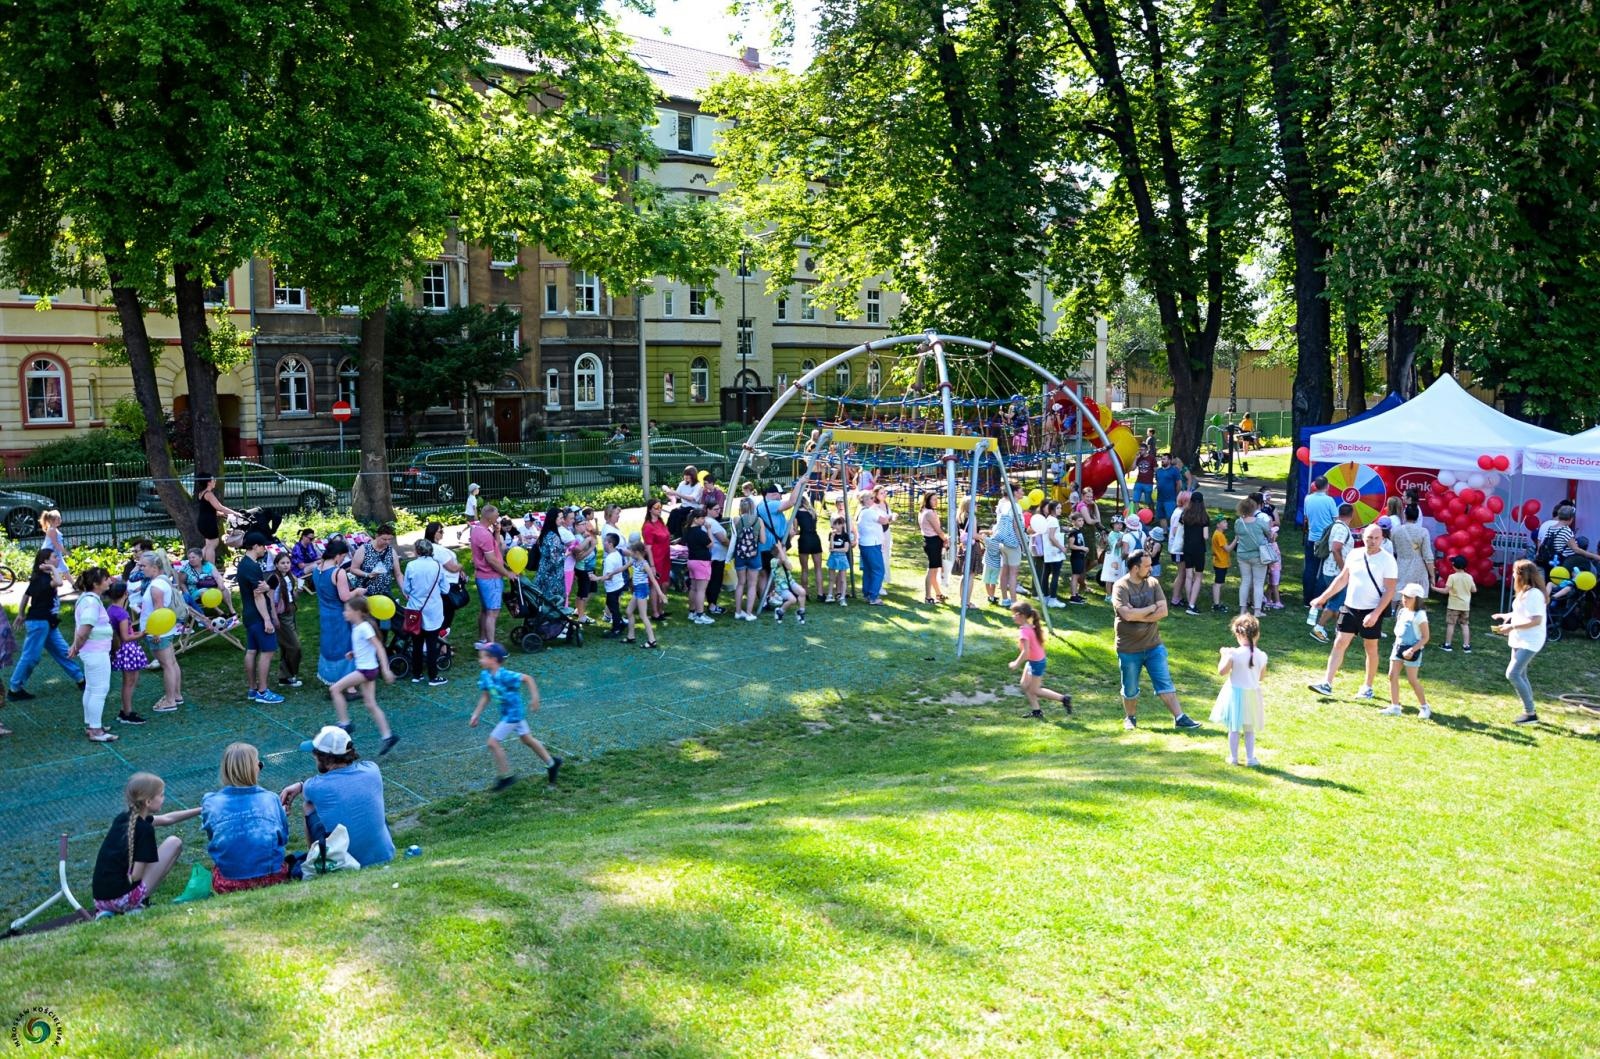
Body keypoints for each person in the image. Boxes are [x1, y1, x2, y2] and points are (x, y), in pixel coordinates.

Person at [279, 726, 396, 867]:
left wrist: (300, 785)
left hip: (344, 862)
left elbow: (310, 789)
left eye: (315, 753)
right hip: (385, 857)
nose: (313, 756)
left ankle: (316, 858)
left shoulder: (315, 786)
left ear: (324, 757)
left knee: (308, 805)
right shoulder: (372, 769)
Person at [1308, 524, 1400, 700]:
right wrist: (1322, 598)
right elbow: (1342, 579)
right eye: (1369, 538)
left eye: (1376, 538)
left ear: (1382, 539)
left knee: (1370, 647)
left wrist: (1375, 614)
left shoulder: (1388, 560)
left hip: (1372, 609)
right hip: (1350, 606)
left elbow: (1390, 590)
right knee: (1339, 643)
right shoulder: (1354, 554)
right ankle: (1327, 683)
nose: (1372, 542)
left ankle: (1368, 686)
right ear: (1363, 537)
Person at [1112, 551, 1201, 730]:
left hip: (1154, 645)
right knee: (1130, 688)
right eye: (1146, 566)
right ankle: (1130, 718)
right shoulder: (1120, 587)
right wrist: (1151, 608)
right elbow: (1126, 615)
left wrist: (1140, 614)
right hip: (1129, 648)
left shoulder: (1153, 583)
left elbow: (1163, 611)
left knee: (1165, 682)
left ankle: (1180, 718)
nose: (1150, 568)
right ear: (1135, 568)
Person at [91, 772, 199, 915]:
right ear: (148, 802)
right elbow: (136, 876)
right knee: (174, 842)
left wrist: (201, 810)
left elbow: (168, 819)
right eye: (161, 795)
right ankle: (134, 906)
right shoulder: (145, 830)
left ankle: (109, 912)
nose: (163, 798)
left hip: (100, 900)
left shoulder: (123, 819)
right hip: (122, 899)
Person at [469, 643, 562, 790]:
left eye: (482, 657)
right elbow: (486, 696)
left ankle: (506, 777)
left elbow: (528, 678)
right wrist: (476, 714)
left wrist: (535, 698)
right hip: (507, 714)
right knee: (527, 739)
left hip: (513, 715)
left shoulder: (505, 675)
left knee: (492, 743)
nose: (479, 660)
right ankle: (552, 763)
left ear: (493, 659)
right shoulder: (485, 675)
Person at [202, 743, 291, 893]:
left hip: (228, 882)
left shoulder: (210, 802)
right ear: (254, 769)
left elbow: (214, 837)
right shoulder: (271, 799)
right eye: (259, 765)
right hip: (272, 877)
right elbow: (283, 838)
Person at [8, 548, 84, 701]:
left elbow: (26, 595)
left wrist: (21, 614)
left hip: (48, 622)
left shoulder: (40, 577)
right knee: (31, 656)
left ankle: (81, 679)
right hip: (39, 623)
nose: (57, 559)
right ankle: (14, 689)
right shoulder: (42, 578)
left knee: (63, 651)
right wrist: (53, 568)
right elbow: (59, 582)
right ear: (45, 561)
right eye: (54, 557)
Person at [328, 592, 399, 755]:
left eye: (347, 610)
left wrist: (386, 669)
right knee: (370, 704)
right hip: (367, 669)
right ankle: (388, 736)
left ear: (357, 612)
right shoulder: (358, 627)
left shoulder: (364, 627)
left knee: (335, 689)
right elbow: (367, 646)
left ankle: (345, 722)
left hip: (366, 671)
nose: (344, 613)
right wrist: (354, 652)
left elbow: (379, 647)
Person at [1493, 560, 1547, 725]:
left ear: (1521, 575)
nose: (1512, 575)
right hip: (1520, 637)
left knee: (1513, 673)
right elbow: (1522, 611)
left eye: (1514, 572)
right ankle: (1530, 711)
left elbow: (1536, 620)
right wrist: (1507, 616)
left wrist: (1511, 626)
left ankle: (1530, 713)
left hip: (1530, 640)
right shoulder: (1526, 592)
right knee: (1521, 674)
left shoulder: (1534, 594)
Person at [66, 567, 117, 743]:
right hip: (96, 652)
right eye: (106, 578)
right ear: (96, 584)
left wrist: (76, 646)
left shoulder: (87, 599)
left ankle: (92, 724)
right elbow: (85, 628)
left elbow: (80, 629)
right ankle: (96, 730)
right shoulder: (92, 602)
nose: (110, 581)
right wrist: (76, 646)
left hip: (92, 651)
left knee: (91, 688)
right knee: (99, 689)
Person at [1210, 614, 1266, 766]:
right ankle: (1250, 758)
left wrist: (1224, 655)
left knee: (1234, 728)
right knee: (1249, 729)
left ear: (1239, 634)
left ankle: (1233, 757)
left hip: (1235, 694)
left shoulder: (1234, 654)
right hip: (1252, 695)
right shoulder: (1262, 655)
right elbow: (1261, 677)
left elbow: (1222, 671)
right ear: (1257, 634)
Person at [236, 533, 284, 705]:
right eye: (263, 546)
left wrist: (265, 586)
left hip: (249, 614)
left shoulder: (244, 564)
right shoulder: (251, 566)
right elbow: (258, 596)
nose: (265, 549)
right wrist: (267, 619)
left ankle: (252, 689)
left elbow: (258, 589)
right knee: (267, 652)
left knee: (251, 651)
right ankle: (263, 691)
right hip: (258, 615)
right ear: (255, 546)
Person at [136, 551, 181, 713]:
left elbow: (159, 612)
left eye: (143, 566)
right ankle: (176, 695)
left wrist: (155, 633)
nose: (141, 569)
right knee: (172, 662)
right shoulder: (163, 581)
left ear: (154, 567)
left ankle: (170, 700)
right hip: (166, 630)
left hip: (159, 632)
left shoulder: (156, 586)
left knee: (167, 665)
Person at [1009, 601, 1070, 720]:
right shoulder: (1029, 627)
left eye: (1014, 614)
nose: (1012, 616)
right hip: (1035, 660)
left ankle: (1063, 699)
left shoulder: (1024, 631)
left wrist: (1016, 663)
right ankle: (1036, 711)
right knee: (1024, 684)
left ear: (1021, 615)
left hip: (1036, 663)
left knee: (1035, 690)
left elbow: (1025, 652)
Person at [402, 539, 449, 687]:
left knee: (416, 643)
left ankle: (417, 674)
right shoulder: (437, 566)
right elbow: (445, 588)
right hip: (433, 609)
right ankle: (433, 676)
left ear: (417, 551)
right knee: (431, 643)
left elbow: (406, 589)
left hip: (415, 609)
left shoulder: (411, 565)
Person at [1307, 504, 1356, 644]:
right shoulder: (1342, 529)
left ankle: (1340, 629)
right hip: (1336, 571)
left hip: (1330, 569)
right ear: (1352, 515)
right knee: (1335, 602)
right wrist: (1343, 570)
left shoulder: (1336, 525)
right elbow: (1336, 549)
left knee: (1340, 602)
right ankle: (1318, 627)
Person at [311, 539, 357, 686]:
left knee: (330, 646)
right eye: (343, 556)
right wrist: (357, 591)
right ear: (337, 555)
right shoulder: (339, 572)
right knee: (344, 646)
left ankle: (331, 679)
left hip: (325, 614)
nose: (343, 559)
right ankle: (347, 685)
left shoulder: (316, 569)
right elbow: (345, 597)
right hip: (339, 615)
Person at [1383, 584, 1432, 718]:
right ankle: (1395, 706)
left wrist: (1412, 649)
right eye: (1404, 596)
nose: (1404, 599)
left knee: (1412, 680)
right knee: (1392, 675)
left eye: (1408, 597)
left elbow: (1426, 637)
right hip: (1398, 647)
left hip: (1412, 651)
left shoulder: (1420, 615)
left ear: (1417, 599)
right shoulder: (1402, 612)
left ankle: (1424, 707)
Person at [105, 581, 149, 726]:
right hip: (128, 649)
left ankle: (126, 710)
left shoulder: (110, 609)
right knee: (130, 682)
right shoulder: (122, 613)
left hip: (121, 649)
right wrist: (142, 634)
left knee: (129, 681)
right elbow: (126, 637)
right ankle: (127, 713)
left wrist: (135, 633)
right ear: (125, 594)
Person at [470, 504, 511, 649]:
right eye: (496, 514)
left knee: (485, 610)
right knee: (493, 612)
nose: (498, 517)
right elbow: (492, 560)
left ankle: (482, 640)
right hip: (490, 577)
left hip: (482, 576)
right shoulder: (483, 534)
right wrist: (507, 573)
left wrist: (497, 532)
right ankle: (491, 646)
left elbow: (496, 548)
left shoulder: (478, 530)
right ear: (489, 516)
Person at [755, 482, 799, 602]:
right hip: (767, 547)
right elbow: (791, 502)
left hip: (773, 546)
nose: (781, 498)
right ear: (774, 494)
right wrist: (800, 483)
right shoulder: (770, 504)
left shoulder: (765, 505)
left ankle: (770, 597)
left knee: (772, 572)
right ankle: (765, 600)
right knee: (765, 574)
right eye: (780, 495)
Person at [1302, 476, 1340, 606]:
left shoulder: (1308, 499)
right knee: (1324, 569)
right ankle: (1319, 599)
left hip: (1312, 538)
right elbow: (1336, 519)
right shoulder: (1329, 500)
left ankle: (1307, 600)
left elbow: (1306, 516)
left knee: (1310, 569)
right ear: (1327, 486)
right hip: (1325, 540)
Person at [269, 550, 303, 689]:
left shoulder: (289, 576)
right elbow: (270, 598)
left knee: (287, 646)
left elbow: (289, 594)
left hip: (290, 611)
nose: (285, 565)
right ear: (276, 564)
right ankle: (289, 674)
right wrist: (274, 617)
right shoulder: (274, 578)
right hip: (281, 615)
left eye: (288, 562)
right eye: (282, 563)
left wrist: (298, 591)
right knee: (295, 647)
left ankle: (285, 677)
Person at [1231, 498, 1269, 617]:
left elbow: (1237, 534)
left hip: (1242, 555)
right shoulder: (1259, 522)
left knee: (1245, 581)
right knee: (1258, 583)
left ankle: (1243, 609)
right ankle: (1257, 610)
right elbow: (1269, 533)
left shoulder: (1238, 522)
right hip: (1258, 555)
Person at [732, 497, 767, 620]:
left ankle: (737, 612)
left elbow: (733, 538)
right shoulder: (759, 520)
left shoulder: (737, 520)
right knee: (752, 585)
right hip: (754, 555)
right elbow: (763, 540)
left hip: (740, 554)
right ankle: (748, 613)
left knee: (740, 583)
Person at [856, 490, 892, 605]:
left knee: (868, 570)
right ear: (865, 500)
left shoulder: (862, 512)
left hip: (865, 544)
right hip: (872, 544)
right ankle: (873, 596)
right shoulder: (869, 512)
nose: (873, 500)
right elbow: (884, 520)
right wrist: (892, 517)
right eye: (871, 498)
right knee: (878, 570)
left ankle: (867, 593)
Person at [1434, 555, 1476, 653]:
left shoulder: (1452, 577)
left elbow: (1445, 591)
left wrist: (1434, 588)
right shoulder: (1469, 577)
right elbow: (1474, 590)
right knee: (1465, 625)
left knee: (1451, 624)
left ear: (1454, 565)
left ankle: (1448, 645)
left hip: (1453, 606)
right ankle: (1466, 646)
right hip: (1465, 606)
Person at [625, 541, 662, 648]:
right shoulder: (634, 561)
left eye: (631, 551)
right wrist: (607, 576)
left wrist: (660, 594)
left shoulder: (645, 565)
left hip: (642, 591)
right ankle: (631, 636)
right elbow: (621, 568)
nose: (630, 553)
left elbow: (653, 580)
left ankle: (652, 640)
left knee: (643, 616)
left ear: (636, 552)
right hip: (637, 590)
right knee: (629, 612)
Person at [1179, 493, 1211, 615]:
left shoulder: (1185, 514)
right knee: (1198, 576)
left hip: (1187, 547)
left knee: (1188, 575)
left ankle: (1189, 602)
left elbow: (1181, 528)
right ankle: (1192, 605)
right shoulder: (1204, 517)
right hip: (1199, 549)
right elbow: (1206, 536)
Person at [349, 524, 401, 599]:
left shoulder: (391, 551)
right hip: (366, 593)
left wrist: (403, 590)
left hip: (385, 593)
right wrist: (367, 574)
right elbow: (353, 569)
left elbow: (398, 574)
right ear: (377, 536)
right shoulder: (364, 549)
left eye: (389, 539)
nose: (387, 542)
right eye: (384, 539)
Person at [641, 499, 671, 621]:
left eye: (660, 507)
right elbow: (648, 548)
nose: (659, 509)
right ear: (650, 509)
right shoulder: (648, 526)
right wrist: (652, 566)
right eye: (656, 507)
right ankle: (655, 612)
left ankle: (661, 609)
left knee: (665, 583)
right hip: (656, 559)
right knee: (655, 585)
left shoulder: (660, 522)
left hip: (665, 557)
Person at [683, 509, 715, 624]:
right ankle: (700, 614)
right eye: (702, 518)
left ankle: (692, 612)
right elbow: (711, 544)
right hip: (702, 562)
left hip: (691, 561)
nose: (703, 520)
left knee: (693, 588)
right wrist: (709, 530)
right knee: (701, 590)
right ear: (695, 519)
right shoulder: (699, 532)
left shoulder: (687, 530)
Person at [919, 492, 948, 604]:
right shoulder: (929, 513)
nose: (936, 501)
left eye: (937, 499)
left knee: (934, 569)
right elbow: (938, 530)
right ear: (927, 501)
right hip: (933, 542)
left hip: (931, 541)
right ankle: (928, 596)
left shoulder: (924, 511)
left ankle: (938, 594)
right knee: (932, 570)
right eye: (933, 499)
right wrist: (945, 538)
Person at [766, 543, 806, 624]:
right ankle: (780, 611)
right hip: (781, 587)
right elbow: (782, 560)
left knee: (802, 592)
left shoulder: (785, 559)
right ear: (778, 552)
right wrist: (781, 549)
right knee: (793, 600)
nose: (785, 553)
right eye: (783, 551)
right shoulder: (773, 561)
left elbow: (790, 568)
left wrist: (784, 556)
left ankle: (801, 611)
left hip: (790, 582)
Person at [1035, 500, 1065, 607]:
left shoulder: (1048, 519)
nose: (1060, 510)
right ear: (1052, 510)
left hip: (1048, 552)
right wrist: (1062, 547)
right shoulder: (1053, 520)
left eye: (1060, 508)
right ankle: (1052, 599)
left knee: (1046, 573)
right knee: (1055, 575)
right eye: (1058, 508)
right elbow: (1052, 537)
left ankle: (1046, 596)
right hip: (1054, 552)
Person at [704, 500, 730, 615]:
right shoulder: (711, 523)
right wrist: (732, 546)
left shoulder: (706, 521)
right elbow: (723, 539)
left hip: (712, 556)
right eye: (715, 509)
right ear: (707, 510)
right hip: (716, 557)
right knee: (715, 582)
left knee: (711, 582)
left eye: (719, 509)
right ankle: (712, 605)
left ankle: (711, 604)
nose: (718, 512)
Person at [600, 532, 628, 637]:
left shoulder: (610, 559)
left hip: (613, 587)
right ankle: (620, 623)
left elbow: (609, 576)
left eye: (605, 541)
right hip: (618, 584)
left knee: (613, 608)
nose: (603, 543)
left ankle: (616, 629)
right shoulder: (617, 553)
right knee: (612, 605)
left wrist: (597, 578)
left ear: (610, 544)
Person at [826, 515, 852, 607]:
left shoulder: (845, 535)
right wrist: (832, 537)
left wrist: (835, 550)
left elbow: (845, 549)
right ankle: (829, 595)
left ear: (842, 525)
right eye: (834, 524)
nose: (836, 526)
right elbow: (831, 547)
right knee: (831, 578)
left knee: (842, 579)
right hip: (833, 557)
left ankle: (842, 597)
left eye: (837, 524)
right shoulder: (831, 534)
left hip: (842, 558)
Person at [1100, 514, 1128, 593]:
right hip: (1113, 558)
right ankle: (1108, 595)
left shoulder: (1122, 534)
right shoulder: (1111, 535)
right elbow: (1118, 545)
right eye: (1117, 523)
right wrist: (1124, 536)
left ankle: (1117, 594)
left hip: (1120, 558)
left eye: (1121, 524)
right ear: (1113, 525)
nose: (1119, 525)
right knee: (1110, 577)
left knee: (1119, 577)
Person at [1209, 517, 1231, 614]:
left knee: (1219, 583)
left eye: (1226, 522)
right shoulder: (1219, 535)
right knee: (1218, 584)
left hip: (1220, 562)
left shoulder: (1218, 534)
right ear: (1218, 525)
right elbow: (1228, 549)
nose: (1226, 523)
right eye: (1224, 522)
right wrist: (1236, 539)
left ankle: (1216, 603)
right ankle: (1216, 604)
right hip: (1220, 563)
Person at [1066, 513, 1089, 604]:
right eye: (1079, 520)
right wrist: (1082, 548)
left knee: (1078, 575)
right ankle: (1073, 596)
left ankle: (1076, 594)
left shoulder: (1079, 531)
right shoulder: (1073, 532)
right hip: (1076, 557)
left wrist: (1084, 550)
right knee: (1075, 576)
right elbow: (1071, 545)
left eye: (1082, 520)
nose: (1082, 522)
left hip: (1080, 556)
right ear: (1073, 522)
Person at [1154, 456, 1184, 525]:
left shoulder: (1174, 470)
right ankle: (1165, 532)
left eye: (1164, 459)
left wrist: (1177, 495)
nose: (1162, 460)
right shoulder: (1159, 471)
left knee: (1171, 516)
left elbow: (1179, 484)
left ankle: (1172, 532)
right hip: (1160, 498)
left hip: (1170, 499)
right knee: (1161, 516)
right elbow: (1158, 482)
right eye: (1162, 459)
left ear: (1169, 460)